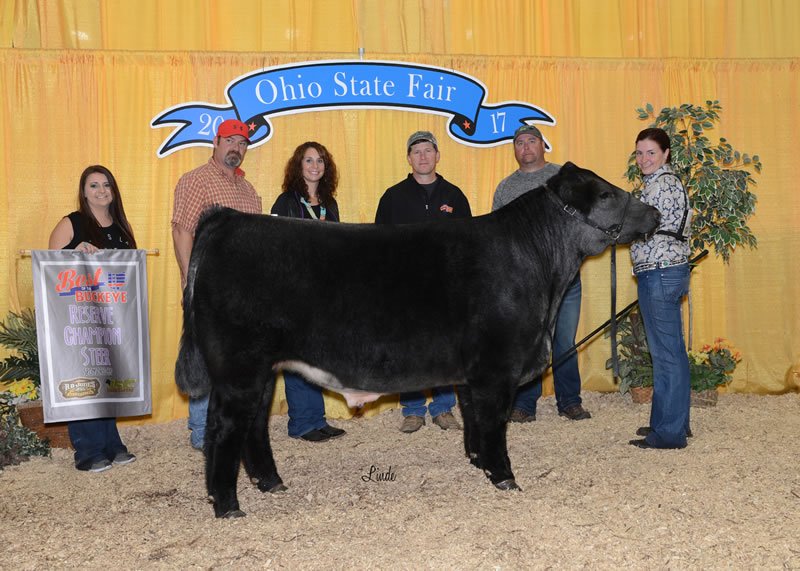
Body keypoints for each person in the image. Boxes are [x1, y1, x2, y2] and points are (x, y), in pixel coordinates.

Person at [171, 119, 262, 450]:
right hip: (210, 286)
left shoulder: (249, 191)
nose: (236, 148)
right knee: (206, 357)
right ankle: (201, 430)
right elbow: (182, 229)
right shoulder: (196, 180)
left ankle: (229, 426)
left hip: (245, 292)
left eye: (243, 143)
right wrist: (189, 280)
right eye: (231, 141)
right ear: (216, 141)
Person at [492, 124, 591, 422]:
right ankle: (524, 404)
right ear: (514, 149)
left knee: (564, 341)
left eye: (531, 141)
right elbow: (498, 235)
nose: (525, 148)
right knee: (529, 343)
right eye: (519, 143)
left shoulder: (564, 179)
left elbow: (584, 223)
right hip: (526, 284)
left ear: (542, 145)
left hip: (564, 280)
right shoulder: (506, 188)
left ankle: (570, 401)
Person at [375, 130, 471, 433]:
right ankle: (413, 409)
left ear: (437, 155)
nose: (423, 156)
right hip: (405, 286)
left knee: (446, 349)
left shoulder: (454, 195)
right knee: (409, 349)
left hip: (446, 286)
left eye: (428, 150)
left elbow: (469, 243)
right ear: (409, 158)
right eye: (416, 151)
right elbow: (378, 242)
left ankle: (443, 408)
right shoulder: (392, 197)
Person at [48, 165, 138, 472]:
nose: (101, 191)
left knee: (108, 378)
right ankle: (87, 450)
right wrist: (75, 250)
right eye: (94, 185)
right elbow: (51, 264)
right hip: (79, 315)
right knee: (85, 377)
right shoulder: (72, 222)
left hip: (114, 317)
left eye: (106, 185)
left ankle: (111, 443)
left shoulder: (122, 228)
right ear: (84, 191)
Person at [270, 141, 347, 442]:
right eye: (308, 160)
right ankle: (301, 423)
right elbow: (275, 248)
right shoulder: (285, 202)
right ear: (297, 165)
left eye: (320, 161)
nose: (315, 166)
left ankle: (317, 419)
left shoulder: (329, 203)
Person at [628, 127, 692, 450]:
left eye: (651, 152)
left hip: (660, 272)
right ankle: (672, 421)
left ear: (666, 154)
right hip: (666, 271)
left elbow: (641, 227)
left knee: (665, 355)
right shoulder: (661, 183)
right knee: (671, 352)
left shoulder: (660, 185)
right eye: (639, 153)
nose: (644, 159)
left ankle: (668, 433)